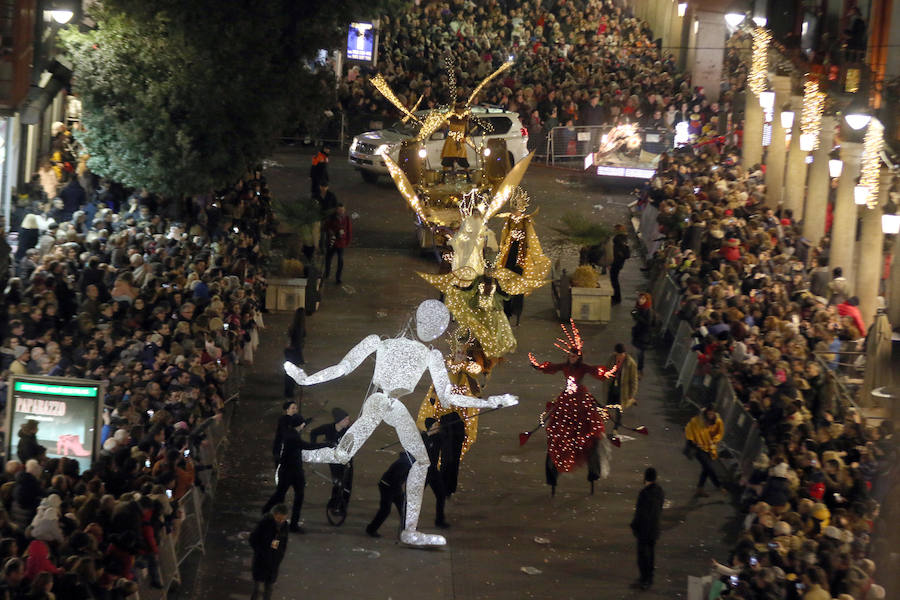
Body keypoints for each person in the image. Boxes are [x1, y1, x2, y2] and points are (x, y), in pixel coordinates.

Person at [285, 299, 517, 546]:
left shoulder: (431, 355)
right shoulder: (380, 342)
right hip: (379, 401)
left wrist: (492, 402)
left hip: (393, 405)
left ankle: (410, 531)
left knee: (422, 461)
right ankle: (296, 456)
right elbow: (343, 367)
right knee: (342, 455)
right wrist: (306, 380)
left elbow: (448, 395)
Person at [529, 319, 617, 495]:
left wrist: (605, 373)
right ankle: (554, 474)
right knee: (559, 435)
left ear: (579, 357)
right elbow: (552, 367)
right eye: (570, 355)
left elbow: (594, 371)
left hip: (580, 400)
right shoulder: (565, 366)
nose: (572, 358)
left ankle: (592, 473)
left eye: (575, 356)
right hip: (567, 400)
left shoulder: (582, 367)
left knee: (589, 435)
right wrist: (539, 367)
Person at [260, 413, 327, 533]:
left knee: (286, 494)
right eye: (302, 423)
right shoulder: (293, 438)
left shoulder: (290, 432)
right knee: (291, 496)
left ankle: (268, 512)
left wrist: (308, 420)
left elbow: (301, 424)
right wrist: (325, 444)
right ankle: (289, 523)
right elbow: (308, 446)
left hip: (290, 471)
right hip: (292, 472)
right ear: (299, 425)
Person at [310, 408, 353, 516]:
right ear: (340, 420)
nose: (349, 421)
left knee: (347, 484)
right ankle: (334, 505)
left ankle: (343, 507)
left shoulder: (350, 430)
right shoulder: (328, 428)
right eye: (346, 419)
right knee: (337, 482)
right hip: (333, 460)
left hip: (347, 461)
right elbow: (313, 433)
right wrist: (314, 447)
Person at [630, 467, 664, 590]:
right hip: (654, 529)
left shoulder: (644, 494)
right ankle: (649, 577)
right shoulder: (660, 491)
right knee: (651, 554)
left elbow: (640, 513)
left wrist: (634, 525)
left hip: (644, 530)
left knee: (643, 556)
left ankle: (645, 579)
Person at [365, 452, 413, 538]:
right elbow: (396, 478)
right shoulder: (407, 463)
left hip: (390, 485)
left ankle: (407, 530)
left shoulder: (409, 459)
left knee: (403, 509)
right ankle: (371, 529)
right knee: (386, 510)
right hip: (388, 487)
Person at [249, 504, 289, 600]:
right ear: (274, 515)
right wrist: (260, 552)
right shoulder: (264, 524)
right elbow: (253, 539)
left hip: (273, 562)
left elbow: (283, 543)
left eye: (283, 519)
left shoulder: (285, 526)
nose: (281, 521)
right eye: (279, 519)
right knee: (257, 588)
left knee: (269, 588)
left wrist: (279, 556)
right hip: (261, 561)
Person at [684, 406, 726, 497]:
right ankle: (718, 485)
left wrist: (714, 440)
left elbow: (720, 433)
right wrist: (695, 442)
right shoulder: (697, 421)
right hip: (698, 448)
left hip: (710, 448)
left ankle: (700, 489)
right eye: (709, 413)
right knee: (709, 467)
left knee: (706, 469)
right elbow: (689, 431)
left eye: (712, 413)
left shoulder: (718, 421)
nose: (711, 415)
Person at [422, 418, 448, 528]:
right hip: (423, 472)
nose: (438, 426)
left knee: (441, 495)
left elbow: (447, 436)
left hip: (433, 471)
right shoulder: (422, 439)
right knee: (415, 497)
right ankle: (407, 522)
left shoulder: (438, 438)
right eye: (435, 424)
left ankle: (440, 520)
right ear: (430, 427)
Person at [606, 343, 639, 432]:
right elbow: (606, 369)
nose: (619, 357)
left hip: (623, 389)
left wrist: (632, 394)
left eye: (621, 355)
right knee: (610, 404)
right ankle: (630, 402)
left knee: (618, 407)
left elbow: (634, 380)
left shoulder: (630, 363)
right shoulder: (611, 359)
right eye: (618, 355)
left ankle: (616, 427)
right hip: (613, 386)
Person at [324, 203, 352, 285]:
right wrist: (331, 232)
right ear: (336, 210)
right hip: (332, 242)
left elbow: (349, 230)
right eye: (340, 210)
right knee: (328, 259)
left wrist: (347, 241)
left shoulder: (346, 218)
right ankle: (327, 273)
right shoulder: (331, 218)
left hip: (341, 243)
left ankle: (338, 278)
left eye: (342, 210)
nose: (341, 211)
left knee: (340, 260)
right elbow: (326, 227)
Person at [283, 308, 306, 398]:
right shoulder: (299, 329)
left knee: (289, 373)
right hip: (295, 353)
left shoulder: (293, 326)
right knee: (292, 373)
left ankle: (288, 391)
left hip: (290, 352)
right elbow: (298, 344)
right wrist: (301, 358)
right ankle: (289, 392)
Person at [630, 293, 654, 373]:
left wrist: (636, 316)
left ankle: (640, 369)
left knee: (640, 353)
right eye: (640, 298)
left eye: (643, 299)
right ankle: (639, 369)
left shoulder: (648, 310)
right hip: (639, 334)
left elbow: (647, 322)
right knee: (638, 352)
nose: (640, 300)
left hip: (644, 335)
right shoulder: (640, 308)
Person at [610, 224, 629, 304]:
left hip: (617, 262)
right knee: (614, 278)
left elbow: (618, 252)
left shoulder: (619, 239)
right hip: (619, 262)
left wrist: (613, 261)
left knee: (614, 279)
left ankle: (617, 297)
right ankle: (616, 296)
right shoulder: (624, 239)